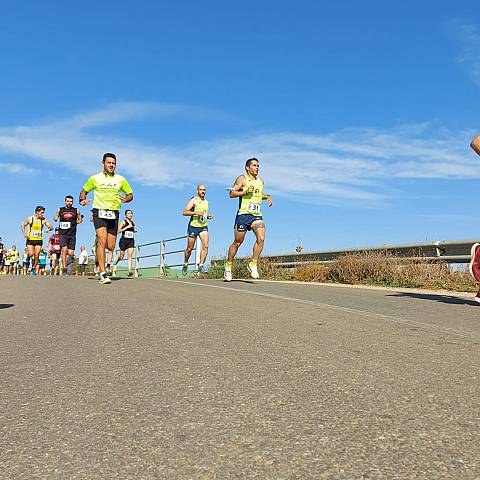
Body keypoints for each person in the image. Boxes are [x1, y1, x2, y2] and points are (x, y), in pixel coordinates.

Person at [79, 152, 133, 284]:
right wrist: (82, 199)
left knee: (111, 246)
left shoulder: (121, 179)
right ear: (103, 163)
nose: (111, 165)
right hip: (99, 211)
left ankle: (98, 247)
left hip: (114, 213)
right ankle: (103, 273)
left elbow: (130, 194)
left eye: (114, 163)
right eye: (109, 163)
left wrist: (125, 199)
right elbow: (84, 191)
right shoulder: (95, 178)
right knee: (102, 239)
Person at [224, 158, 273, 282]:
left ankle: (253, 263)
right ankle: (228, 266)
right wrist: (245, 191)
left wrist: (266, 196)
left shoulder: (261, 181)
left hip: (256, 215)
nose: (257, 168)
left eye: (258, 166)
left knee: (261, 238)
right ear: (247, 167)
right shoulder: (242, 179)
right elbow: (232, 194)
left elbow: (256, 195)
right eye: (254, 165)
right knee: (237, 242)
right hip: (243, 215)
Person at [182, 184, 213, 275]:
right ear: (197, 191)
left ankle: (201, 265)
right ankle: (185, 263)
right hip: (193, 226)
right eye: (201, 190)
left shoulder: (206, 202)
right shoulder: (193, 200)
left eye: (204, 190)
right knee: (189, 248)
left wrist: (207, 216)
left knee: (206, 246)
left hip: (203, 226)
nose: (203, 191)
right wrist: (196, 213)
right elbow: (184, 212)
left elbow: (203, 214)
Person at [54, 195, 83, 275]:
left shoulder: (76, 210)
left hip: (72, 234)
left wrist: (76, 222)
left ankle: (65, 263)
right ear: (65, 201)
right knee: (64, 250)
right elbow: (55, 217)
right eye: (67, 201)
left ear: (72, 202)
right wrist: (56, 217)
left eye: (70, 201)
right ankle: (64, 269)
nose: (69, 203)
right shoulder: (60, 209)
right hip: (62, 234)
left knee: (70, 253)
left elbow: (80, 220)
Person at [21, 206, 53, 275]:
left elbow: (51, 227)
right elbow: (23, 225)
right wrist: (24, 233)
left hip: (39, 240)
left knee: (37, 255)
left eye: (43, 213)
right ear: (37, 212)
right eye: (41, 213)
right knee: (31, 254)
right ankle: (28, 257)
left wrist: (49, 229)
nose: (42, 214)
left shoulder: (43, 220)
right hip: (30, 240)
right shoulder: (30, 218)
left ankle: (33, 268)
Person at [114, 209, 137, 276]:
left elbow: (131, 230)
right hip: (124, 240)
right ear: (125, 215)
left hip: (131, 240)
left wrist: (134, 231)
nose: (130, 214)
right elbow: (118, 231)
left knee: (130, 256)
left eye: (131, 213)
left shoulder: (132, 223)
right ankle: (117, 259)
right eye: (128, 213)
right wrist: (127, 227)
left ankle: (129, 271)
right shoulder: (123, 221)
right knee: (122, 257)